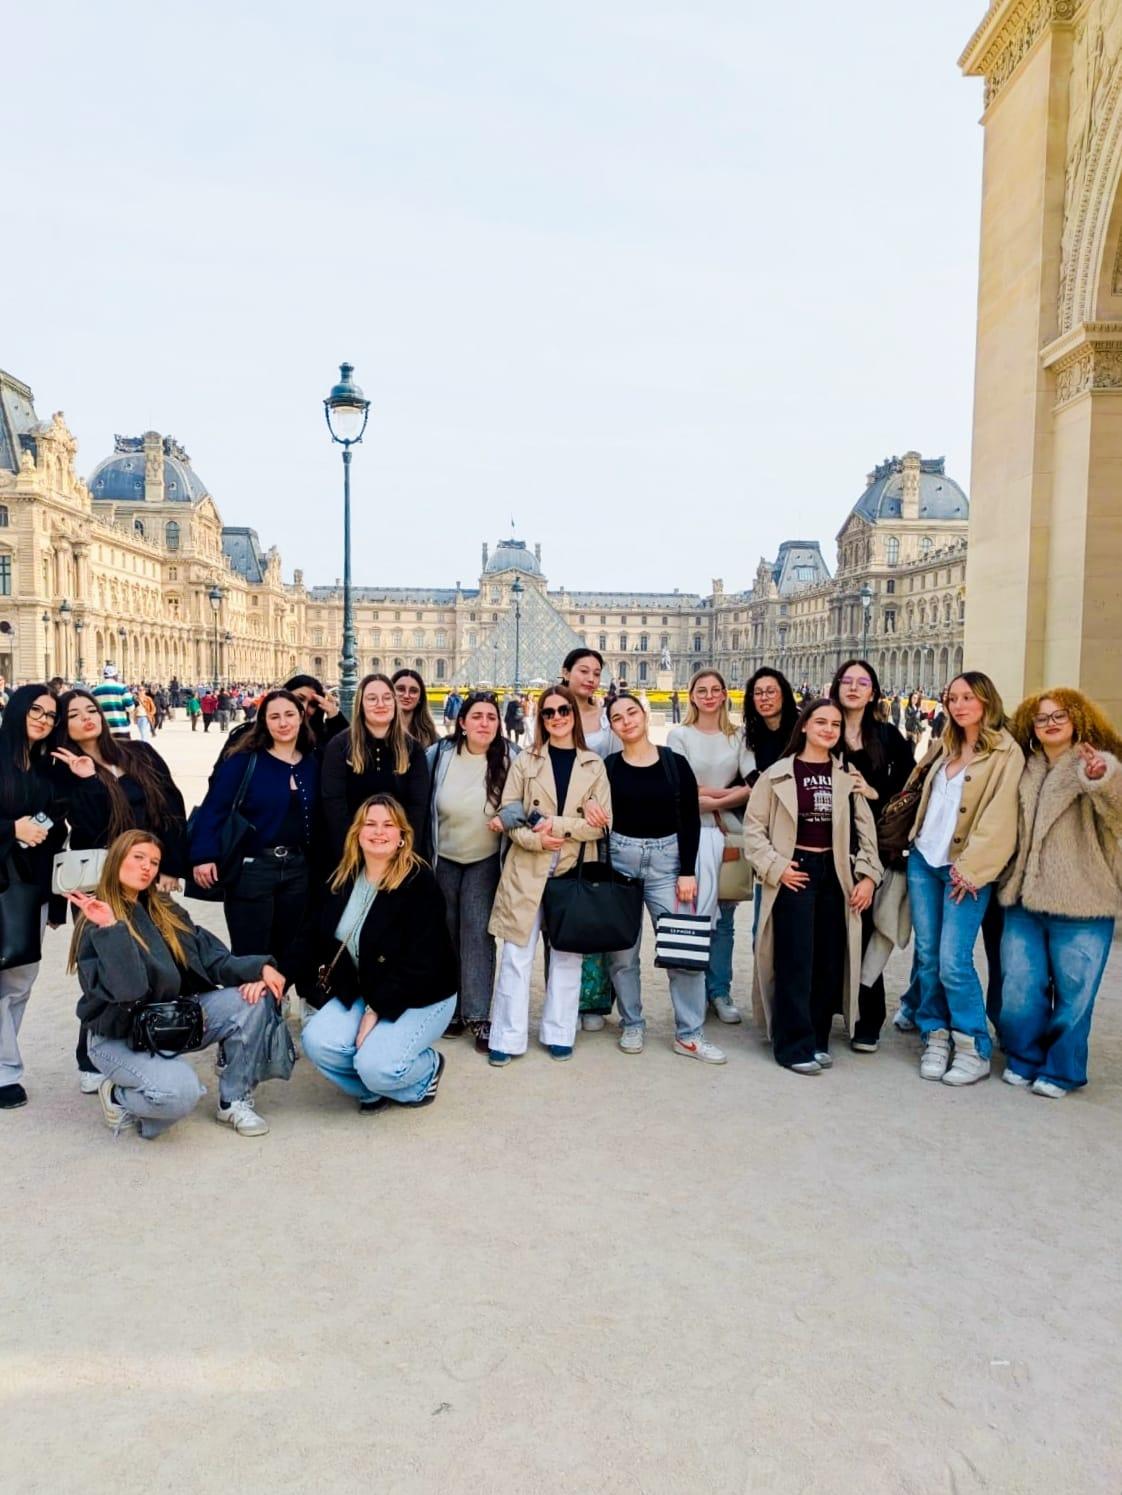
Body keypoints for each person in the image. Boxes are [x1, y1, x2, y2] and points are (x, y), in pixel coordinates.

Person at [72, 831, 286, 1139]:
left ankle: (233, 1100)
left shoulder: (165, 910)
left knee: (250, 1000)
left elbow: (213, 958)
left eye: (154, 862)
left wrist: (259, 968)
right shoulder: (97, 919)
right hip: (119, 1035)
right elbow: (128, 990)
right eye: (138, 858)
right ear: (117, 859)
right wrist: (110, 928)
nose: (147, 867)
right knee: (179, 1096)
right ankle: (117, 1094)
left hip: (170, 1021)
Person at [51, 688, 189, 1091]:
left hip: (148, 873)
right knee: (105, 966)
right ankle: (92, 1051)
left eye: (90, 710)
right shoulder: (63, 771)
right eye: (73, 714)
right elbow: (91, 829)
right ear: (65, 726)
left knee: (161, 957)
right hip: (101, 881)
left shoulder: (140, 753)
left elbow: (172, 806)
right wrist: (88, 779)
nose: (85, 718)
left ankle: (155, 1034)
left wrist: (172, 866)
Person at [744, 698, 881, 1074]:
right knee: (795, 961)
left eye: (835, 725)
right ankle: (792, 1045)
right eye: (820, 722)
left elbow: (866, 831)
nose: (828, 729)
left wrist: (868, 876)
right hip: (795, 869)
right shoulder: (777, 774)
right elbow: (754, 831)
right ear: (803, 726)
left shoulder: (847, 777)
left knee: (828, 960)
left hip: (836, 872)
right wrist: (776, 867)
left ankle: (817, 1037)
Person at [996, 689, 1122, 1096]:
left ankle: (1062, 1069)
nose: (1049, 723)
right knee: (1017, 985)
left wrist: (1102, 779)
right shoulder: (1025, 767)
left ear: (1078, 719)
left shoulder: (1096, 764)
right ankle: (1025, 1055)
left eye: (1059, 715)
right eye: (1041, 718)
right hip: (1024, 894)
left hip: (1080, 896)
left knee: (1075, 994)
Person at [301, 796, 457, 1112]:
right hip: (366, 986)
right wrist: (276, 971)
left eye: (388, 825)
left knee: (379, 1066)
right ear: (357, 833)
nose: (378, 832)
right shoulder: (343, 877)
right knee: (317, 1042)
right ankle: (371, 1087)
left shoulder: (419, 882)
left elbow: (424, 964)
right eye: (370, 824)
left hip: (422, 994)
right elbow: (310, 936)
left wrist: (376, 1010)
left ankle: (424, 1072)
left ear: (402, 836)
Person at [907, 672, 1023, 1086]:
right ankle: (935, 1034)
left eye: (967, 697)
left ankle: (973, 1044)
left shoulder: (1006, 753)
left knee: (954, 961)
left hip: (964, 871)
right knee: (927, 956)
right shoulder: (946, 745)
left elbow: (1002, 817)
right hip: (924, 860)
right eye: (952, 698)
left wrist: (973, 869)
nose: (958, 705)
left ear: (987, 701)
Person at [487, 685, 611, 1065]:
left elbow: (602, 826)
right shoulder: (525, 761)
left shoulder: (594, 764)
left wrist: (552, 824)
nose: (557, 718)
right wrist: (536, 841)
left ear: (574, 715)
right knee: (515, 957)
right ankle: (507, 1037)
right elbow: (510, 813)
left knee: (567, 956)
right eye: (549, 713)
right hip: (527, 867)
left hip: (571, 870)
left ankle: (560, 1031)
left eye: (563, 711)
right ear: (540, 719)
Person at [605, 694, 726, 1063]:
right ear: (612, 726)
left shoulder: (675, 764)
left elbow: (689, 819)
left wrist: (687, 871)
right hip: (620, 862)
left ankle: (689, 1034)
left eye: (631, 713)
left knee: (681, 951)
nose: (626, 721)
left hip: (668, 863)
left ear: (644, 716)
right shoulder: (608, 766)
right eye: (617, 717)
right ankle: (632, 1022)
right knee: (623, 954)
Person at [190, 689, 318, 997]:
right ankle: (245, 1024)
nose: (283, 723)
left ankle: (273, 1012)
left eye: (289, 715)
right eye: (274, 717)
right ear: (264, 722)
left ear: (301, 718)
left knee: (287, 949)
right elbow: (214, 808)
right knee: (250, 951)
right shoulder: (244, 761)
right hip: (252, 867)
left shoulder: (313, 763)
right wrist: (203, 855)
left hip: (298, 869)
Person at [829, 659, 915, 1053]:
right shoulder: (822, 724)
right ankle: (830, 1008)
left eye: (862, 682)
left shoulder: (886, 735)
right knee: (828, 931)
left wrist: (876, 791)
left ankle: (867, 1018)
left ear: (873, 691)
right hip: (825, 842)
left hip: (870, 848)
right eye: (847, 680)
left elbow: (912, 784)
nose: (853, 687)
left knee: (864, 933)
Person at [426, 692, 518, 1049]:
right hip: (444, 858)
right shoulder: (438, 755)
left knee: (477, 933)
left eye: (491, 718)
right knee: (446, 934)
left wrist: (505, 817)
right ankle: (452, 1009)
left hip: (485, 859)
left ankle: (478, 1014)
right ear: (461, 722)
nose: (485, 723)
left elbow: (528, 801)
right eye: (477, 716)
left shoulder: (512, 758)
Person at [667, 669, 755, 1025]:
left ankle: (719, 989)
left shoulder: (739, 737)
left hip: (723, 829)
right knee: (687, 915)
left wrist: (712, 799)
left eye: (715, 690)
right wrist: (724, 795)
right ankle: (694, 988)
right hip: (686, 831)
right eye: (701, 690)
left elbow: (753, 782)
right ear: (691, 696)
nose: (708, 695)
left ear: (724, 695)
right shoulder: (679, 734)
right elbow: (680, 788)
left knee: (725, 918)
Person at [0, 686, 67, 1108]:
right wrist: (11, 830)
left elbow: (60, 832)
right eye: (36, 710)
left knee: (20, 980)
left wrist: (57, 901)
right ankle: (6, 1071)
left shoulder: (48, 767)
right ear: (20, 709)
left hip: (31, 886)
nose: (43, 719)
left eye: (51, 715)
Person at [559, 648, 621, 1032]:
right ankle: (563, 998)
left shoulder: (607, 719)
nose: (591, 678)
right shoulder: (552, 710)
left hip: (596, 822)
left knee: (593, 908)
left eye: (597, 672)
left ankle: (594, 1001)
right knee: (562, 916)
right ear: (565, 672)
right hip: (560, 823)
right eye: (583, 670)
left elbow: (613, 770)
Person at [321, 673, 431, 865]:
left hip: (399, 854)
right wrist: (352, 852)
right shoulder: (340, 746)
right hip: (351, 854)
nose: (381, 704)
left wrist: (405, 852)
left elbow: (417, 807)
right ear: (360, 705)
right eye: (372, 698)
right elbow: (334, 805)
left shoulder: (413, 748)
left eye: (387, 697)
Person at [743, 667, 800, 777]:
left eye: (770, 692)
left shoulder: (801, 731)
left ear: (784, 695)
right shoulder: (751, 735)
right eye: (758, 693)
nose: (764, 698)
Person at [392, 668, 439, 749]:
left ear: (420, 698)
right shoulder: (374, 732)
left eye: (413, 691)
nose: (406, 695)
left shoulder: (432, 737)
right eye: (400, 689)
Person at [91, 665, 135, 741]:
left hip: (104, 728)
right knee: (123, 751)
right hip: (121, 727)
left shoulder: (94, 691)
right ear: (115, 676)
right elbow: (130, 708)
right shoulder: (122, 688)